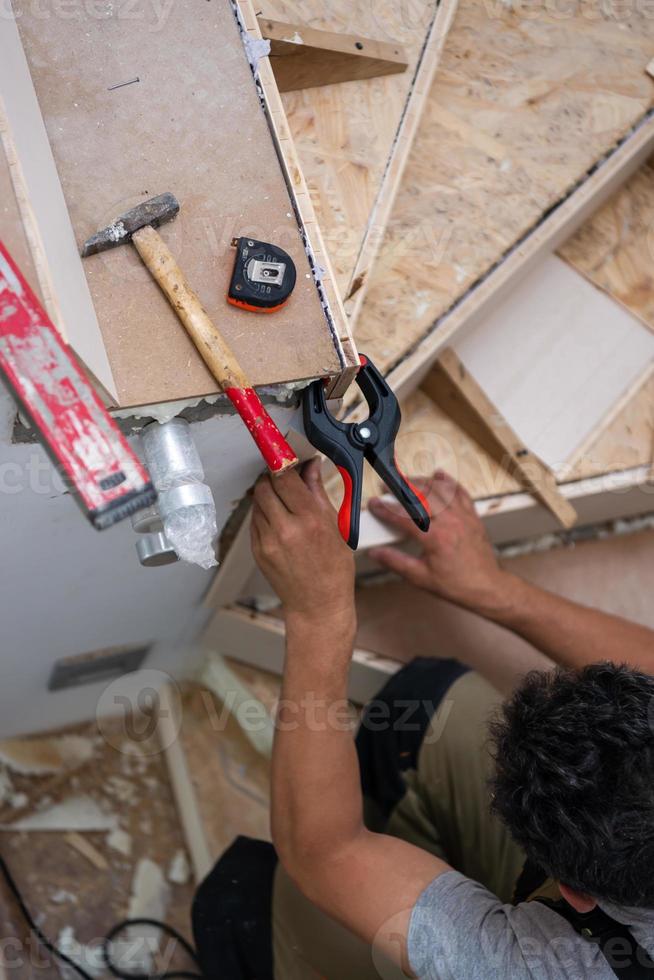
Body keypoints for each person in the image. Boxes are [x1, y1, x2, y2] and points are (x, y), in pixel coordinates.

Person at [248, 461, 654, 980]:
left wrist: (318, 615)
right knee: (431, 703)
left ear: (572, 892)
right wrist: (494, 588)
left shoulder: (536, 969)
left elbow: (324, 849)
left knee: (280, 897)